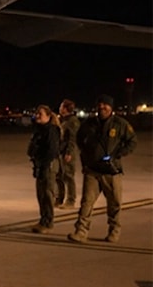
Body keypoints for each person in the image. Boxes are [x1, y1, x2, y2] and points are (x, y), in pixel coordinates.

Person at [68, 95, 137, 244]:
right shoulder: (89, 123)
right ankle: (81, 231)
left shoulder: (120, 124)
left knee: (114, 203)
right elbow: (80, 139)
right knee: (86, 202)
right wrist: (85, 158)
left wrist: (118, 154)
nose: (102, 107)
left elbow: (132, 141)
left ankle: (114, 231)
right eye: (100, 104)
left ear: (111, 107)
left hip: (112, 171)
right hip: (92, 170)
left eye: (105, 105)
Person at [27, 105, 61, 234]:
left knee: (47, 194)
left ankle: (48, 222)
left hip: (48, 165)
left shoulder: (51, 130)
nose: (37, 115)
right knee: (40, 194)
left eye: (40, 114)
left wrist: (43, 164)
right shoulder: (39, 130)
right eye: (36, 113)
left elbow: (51, 151)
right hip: (40, 165)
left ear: (48, 116)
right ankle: (43, 219)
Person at [56, 99, 80, 209]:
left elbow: (72, 138)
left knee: (68, 176)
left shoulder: (72, 121)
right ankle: (59, 198)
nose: (60, 108)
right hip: (61, 151)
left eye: (61, 106)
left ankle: (71, 200)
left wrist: (69, 152)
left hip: (67, 152)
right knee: (59, 176)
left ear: (65, 109)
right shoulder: (63, 120)